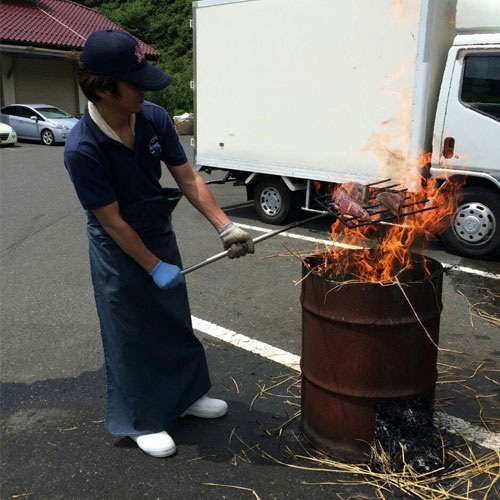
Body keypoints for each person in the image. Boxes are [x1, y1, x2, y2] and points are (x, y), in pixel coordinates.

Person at [64, 29, 254, 458]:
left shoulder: (154, 118)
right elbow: (111, 221)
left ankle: (186, 396)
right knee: (130, 329)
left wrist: (225, 226)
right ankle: (140, 420)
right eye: (135, 82)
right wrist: (152, 266)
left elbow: (187, 177)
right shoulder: (82, 148)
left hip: (156, 228)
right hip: (117, 246)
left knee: (172, 317)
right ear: (102, 88)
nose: (146, 90)